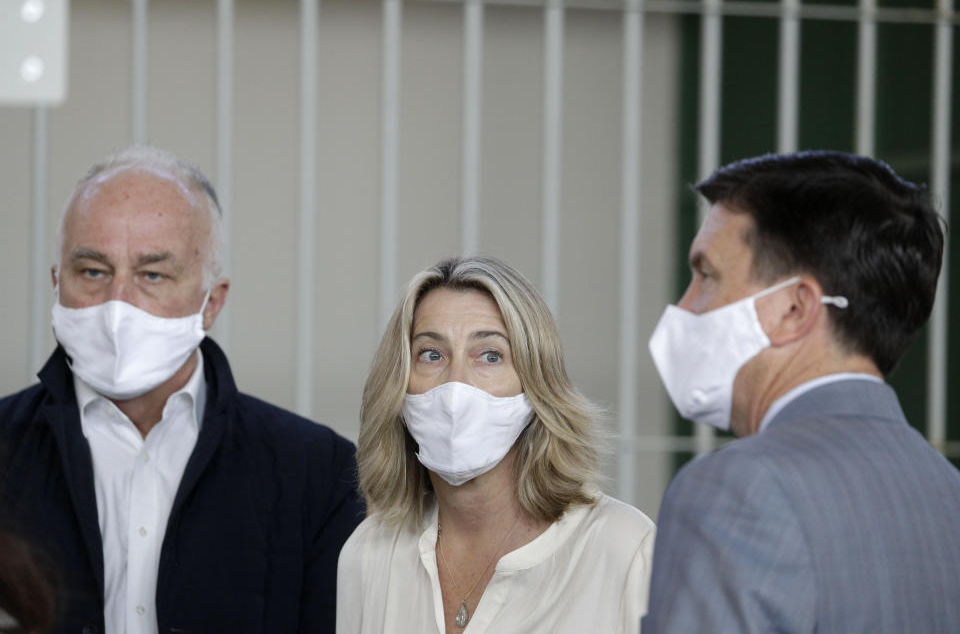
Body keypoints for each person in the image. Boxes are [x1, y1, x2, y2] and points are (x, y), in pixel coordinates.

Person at [0, 145, 364, 634]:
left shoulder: (317, 475)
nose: (117, 305)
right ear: (56, 282)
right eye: (92, 271)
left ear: (211, 302)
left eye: (153, 274)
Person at [642, 151, 960, 632]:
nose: (685, 306)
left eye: (706, 276)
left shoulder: (736, 488)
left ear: (794, 308)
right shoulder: (946, 489)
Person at [336, 256, 655, 633]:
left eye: (490, 356)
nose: (456, 384)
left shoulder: (624, 549)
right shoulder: (370, 554)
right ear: (400, 383)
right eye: (431, 354)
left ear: (536, 385)